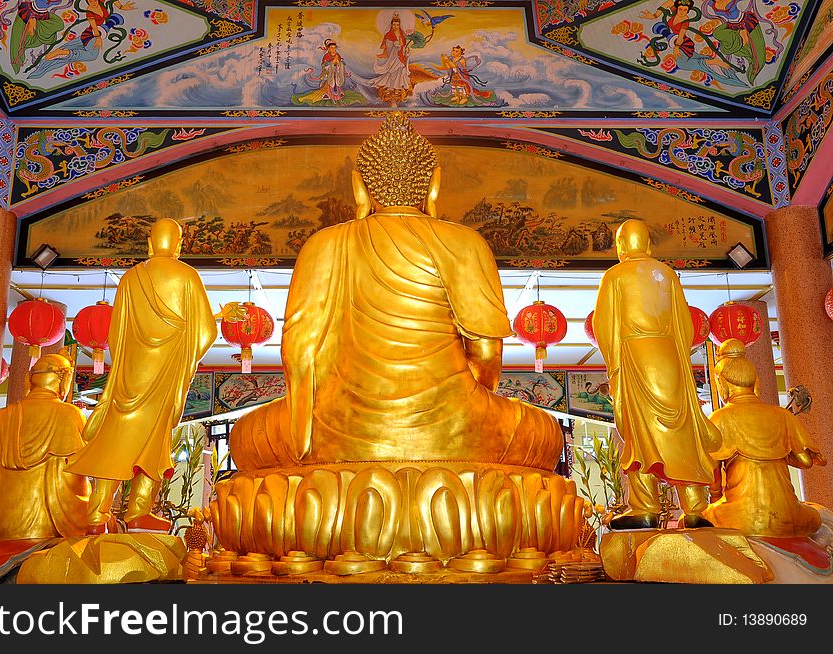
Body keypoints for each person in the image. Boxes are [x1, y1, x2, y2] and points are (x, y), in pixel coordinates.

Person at [229, 112, 563, 472]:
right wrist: (476, 416)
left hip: (336, 427)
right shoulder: (465, 243)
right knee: (541, 434)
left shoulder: (323, 244)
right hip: (457, 423)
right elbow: (485, 356)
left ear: (360, 187)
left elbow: (299, 354)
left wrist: (307, 429)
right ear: (434, 186)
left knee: (249, 437)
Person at [66, 218, 217, 533]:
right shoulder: (188, 276)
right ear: (178, 245)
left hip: (131, 375)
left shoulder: (130, 278)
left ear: (150, 244)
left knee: (117, 438)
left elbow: (116, 332)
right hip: (164, 374)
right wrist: (182, 349)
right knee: (153, 440)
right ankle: (135, 510)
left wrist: (124, 364)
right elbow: (205, 332)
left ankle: (101, 512)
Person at [593, 219, 721, 529]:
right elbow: (685, 324)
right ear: (648, 245)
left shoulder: (615, 275)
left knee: (639, 433)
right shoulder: (666, 275)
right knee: (681, 432)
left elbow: (604, 324)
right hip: (670, 358)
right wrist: (679, 358)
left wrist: (614, 367)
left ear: (621, 247)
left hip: (636, 354)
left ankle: (645, 507)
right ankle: (694, 507)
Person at [0, 352, 90, 542]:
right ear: (64, 380)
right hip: (51, 525)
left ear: (30, 380)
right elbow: (75, 473)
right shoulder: (70, 415)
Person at [703, 338, 826, 537]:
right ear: (754, 381)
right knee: (817, 515)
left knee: (694, 522)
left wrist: (715, 499)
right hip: (793, 517)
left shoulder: (720, 418)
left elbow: (713, 476)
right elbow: (805, 461)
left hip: (739, 517)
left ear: (721, 383)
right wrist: (776, 448)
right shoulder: (782, 415)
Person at [372, 13, 412, 104]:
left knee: (399, 72)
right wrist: (392, 45)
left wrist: (405, 51)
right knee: (392, 72)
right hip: (392, 57)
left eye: (397, 24)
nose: (396, 26)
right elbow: (385, 49)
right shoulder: (388, 35)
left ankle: (397, 88)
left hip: (400, 58)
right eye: (394, 24)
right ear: (391, 24)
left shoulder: (402, 34)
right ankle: (390, 88)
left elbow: (403, 46)